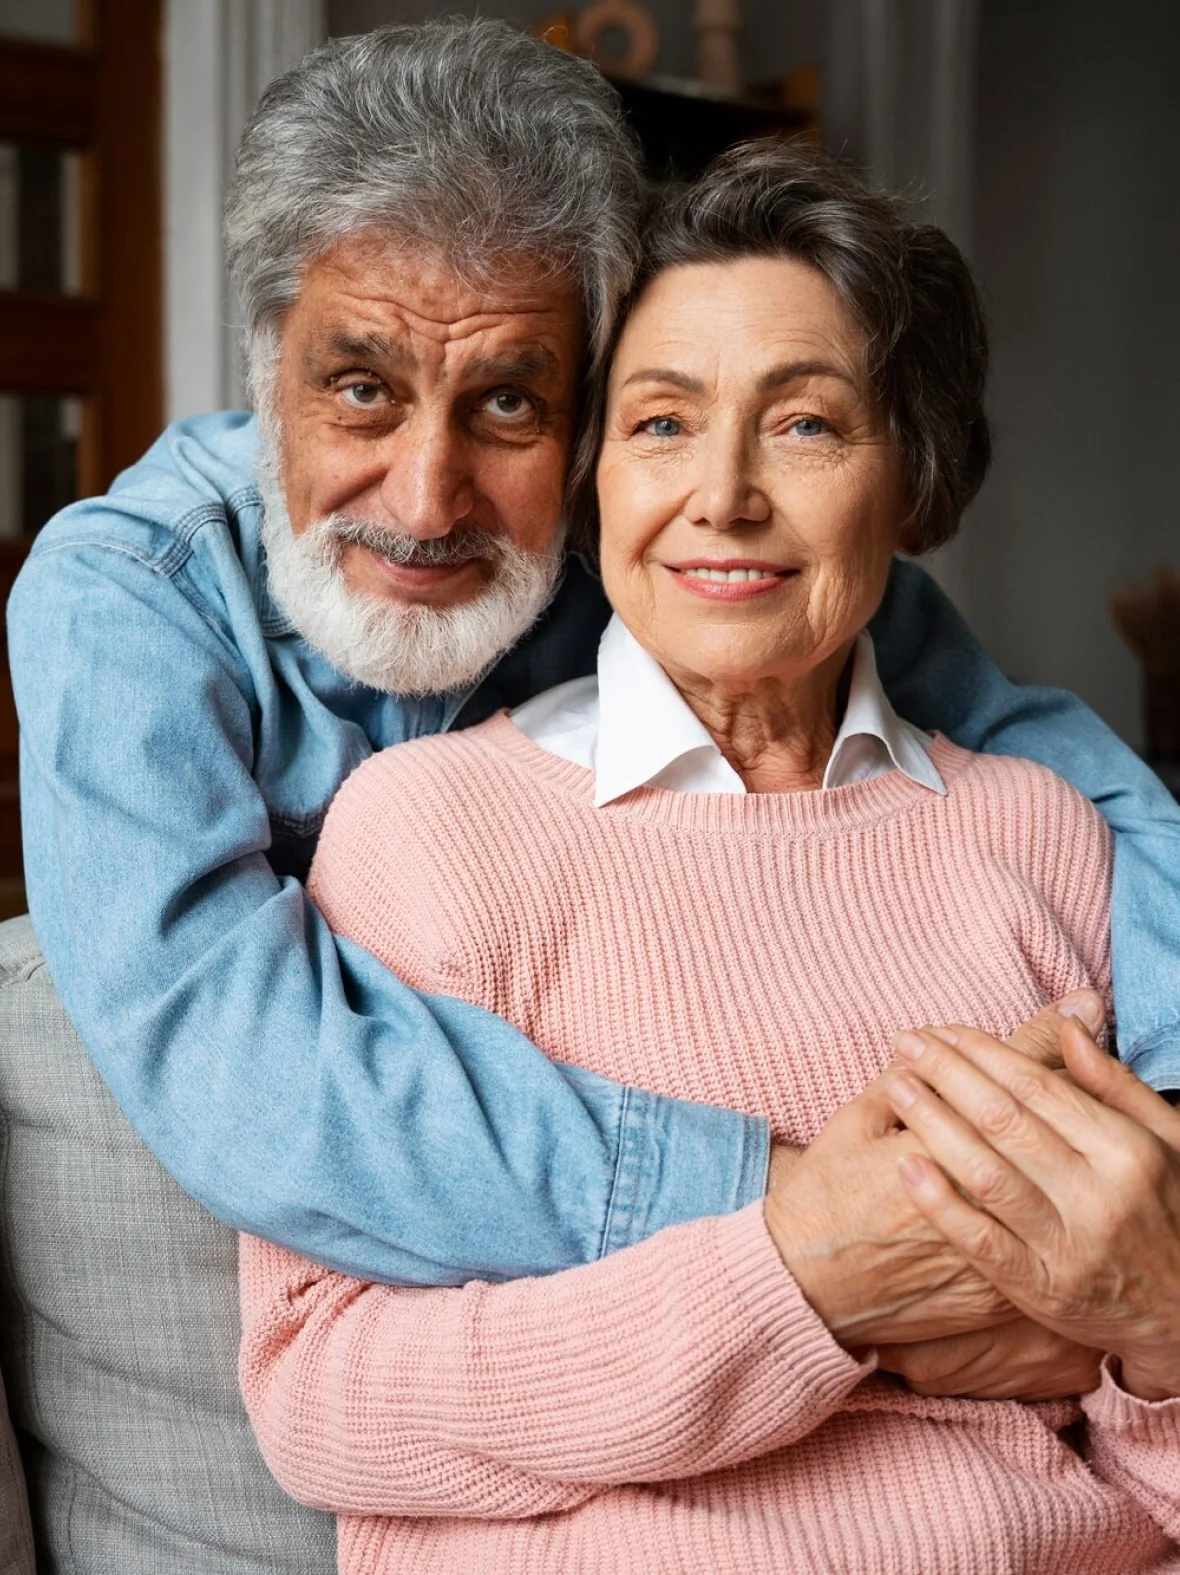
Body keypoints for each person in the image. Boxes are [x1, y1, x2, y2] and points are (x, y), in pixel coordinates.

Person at [7, 20, 1178, 1342]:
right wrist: (793, 1229)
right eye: (360, 388)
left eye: (510, 402)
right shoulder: (133, 595)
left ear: (588, 411)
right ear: (266, 372)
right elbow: (240, 1068)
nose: (428, 495)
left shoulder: (678, 554)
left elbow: (1095, 793)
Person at [239, 140, 1180, 1574]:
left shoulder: (1037, 836)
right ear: (590, 475)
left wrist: (1161, 1333)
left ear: (911, 478)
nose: (724, 494)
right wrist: (805, 1280)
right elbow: (328, 1399)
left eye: (804, 426)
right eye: (662, 424)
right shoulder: (432, 829)